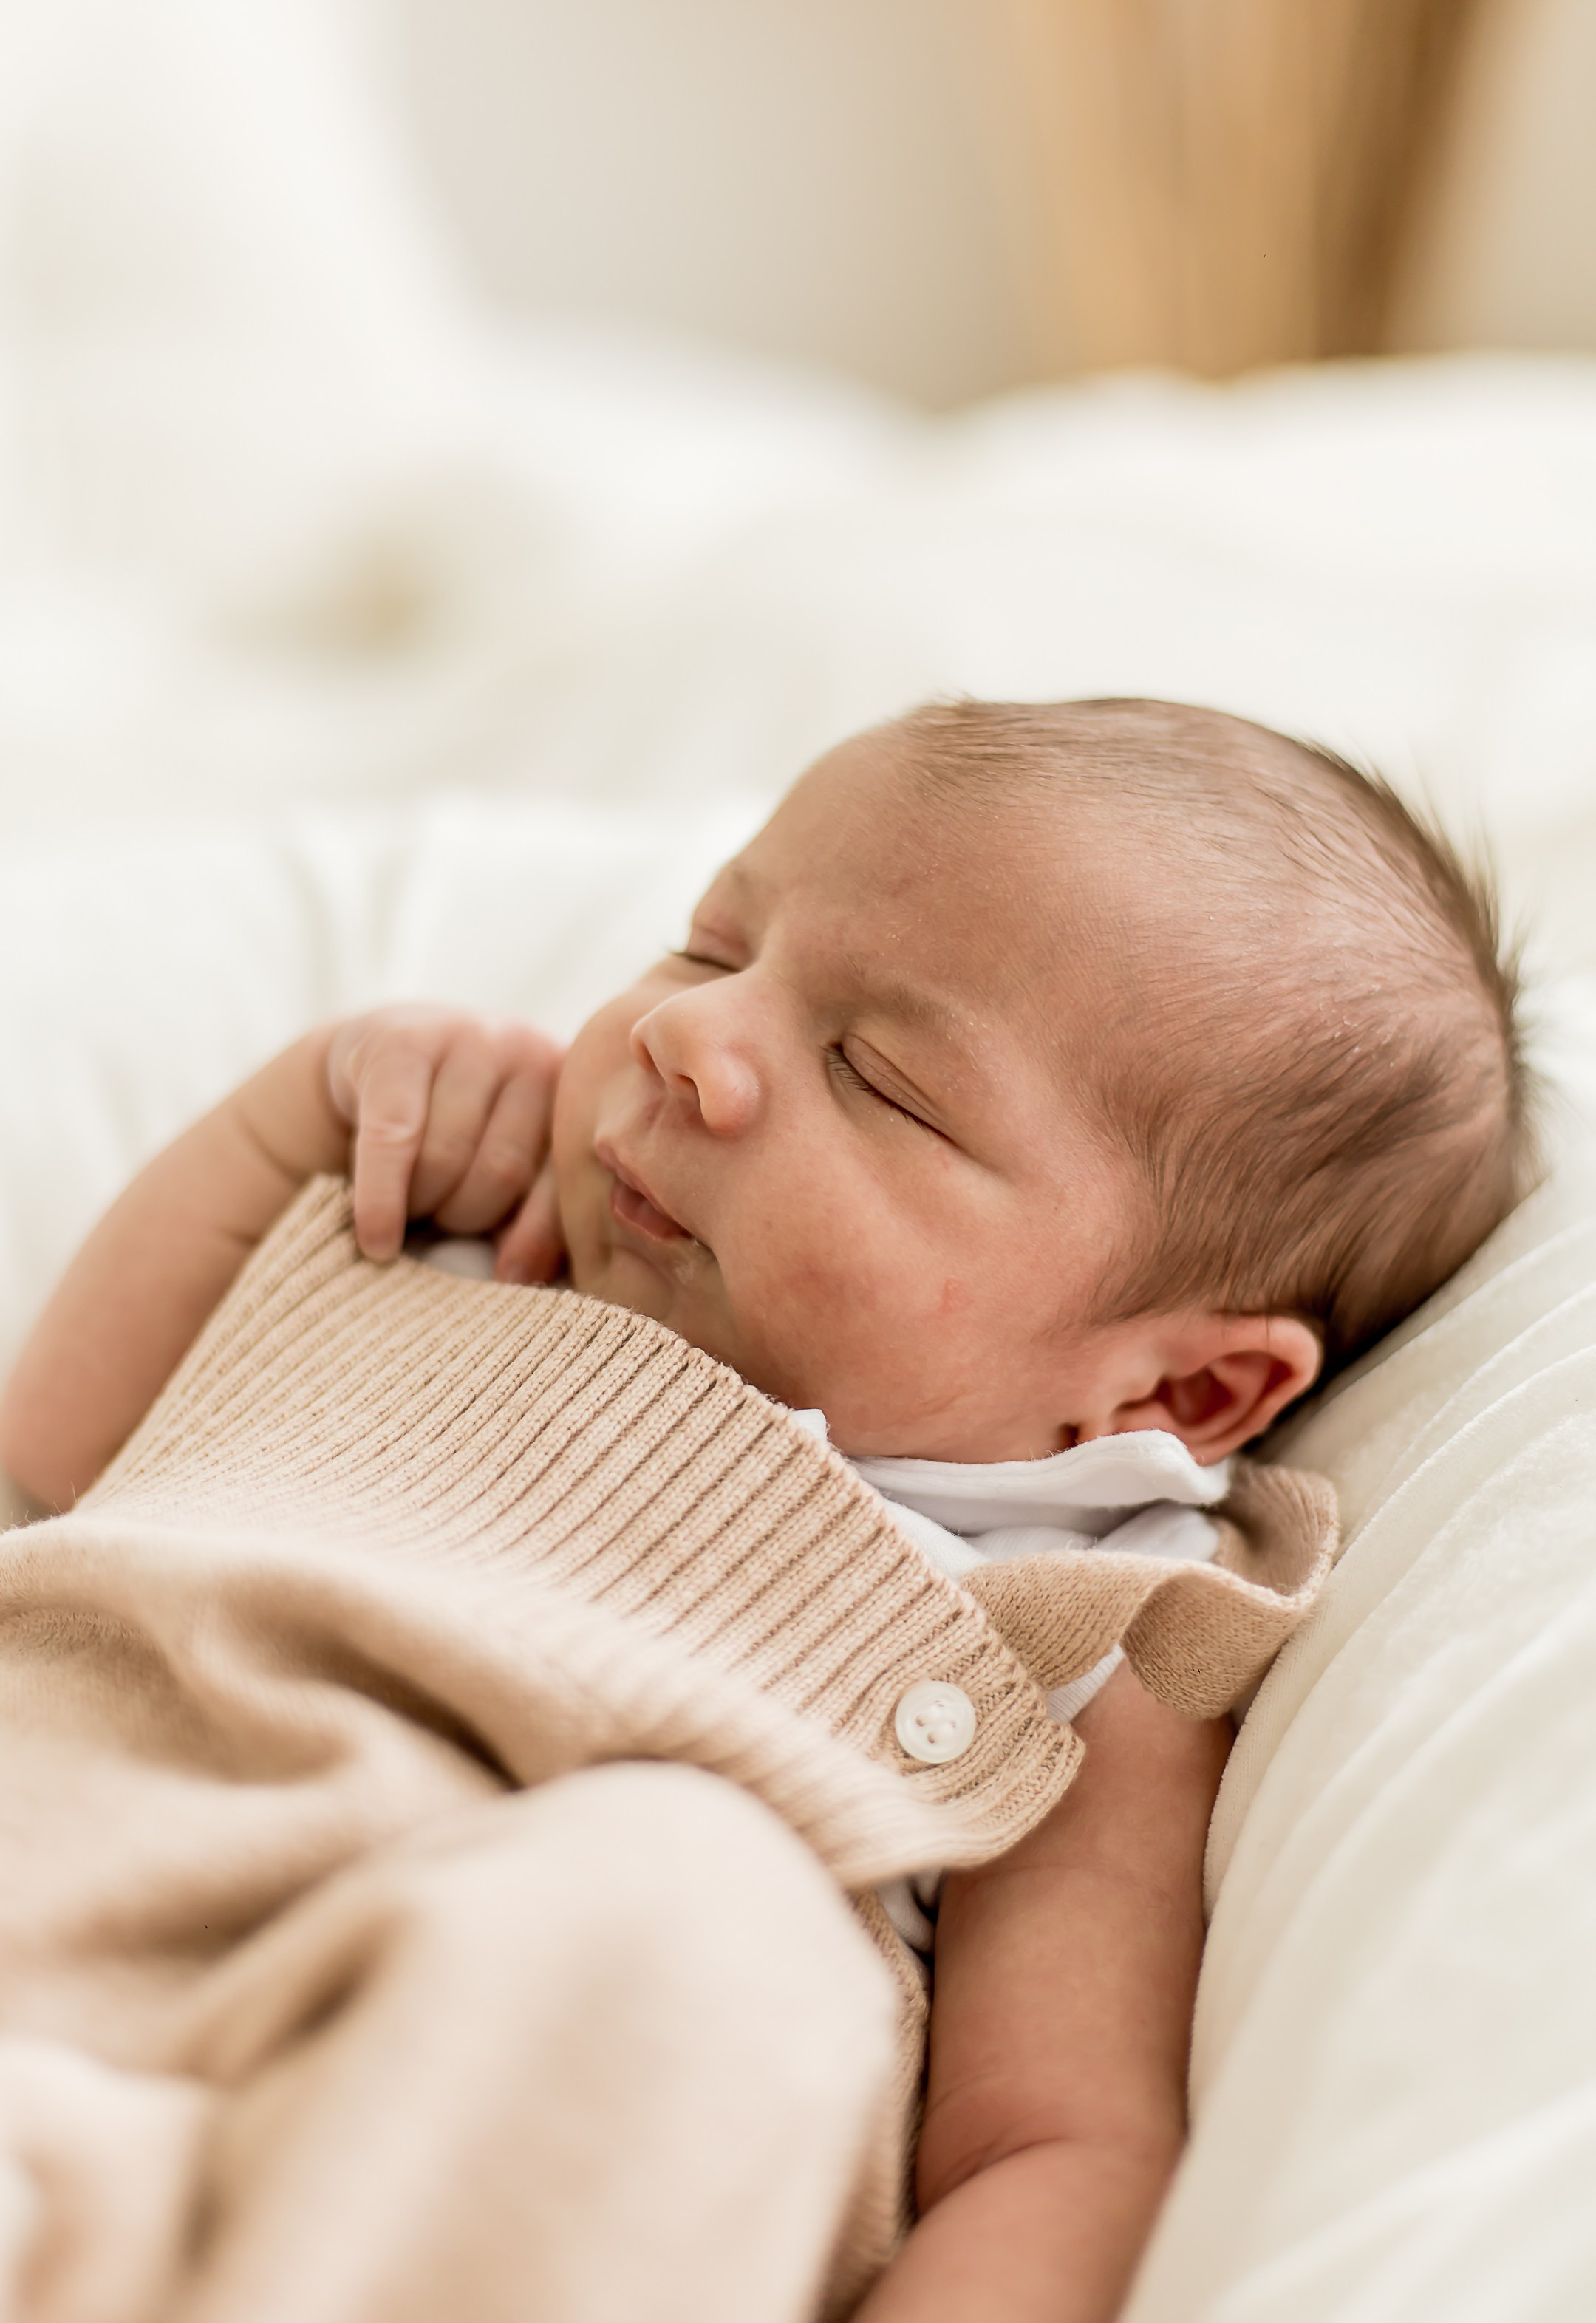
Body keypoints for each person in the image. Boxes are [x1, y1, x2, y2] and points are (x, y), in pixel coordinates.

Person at [0, 697, 1531, 2322]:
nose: (692, 1037)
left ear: (1179, 1398)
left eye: (878, 1077)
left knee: (709, 1922)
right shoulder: (453, 1240)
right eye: (706, 948)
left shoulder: (1074, 1624)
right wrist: (302, 1119)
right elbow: (65, 1465)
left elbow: (1055, 2150)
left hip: (454, 2152)